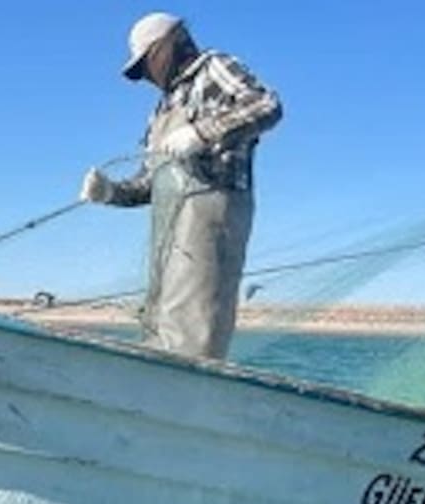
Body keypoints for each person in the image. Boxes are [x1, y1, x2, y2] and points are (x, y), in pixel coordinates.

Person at [80, 12, 282, 359]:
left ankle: (193, 398)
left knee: (195, 326)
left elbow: (266, 105)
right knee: (162, 318)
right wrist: (110, 192)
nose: (145, 77)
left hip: (213, 212)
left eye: (145, 65)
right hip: (170, 225)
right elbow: (148, 183)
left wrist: (202, 133)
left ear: (167, 46)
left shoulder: (213, 66)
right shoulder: (161, 109)